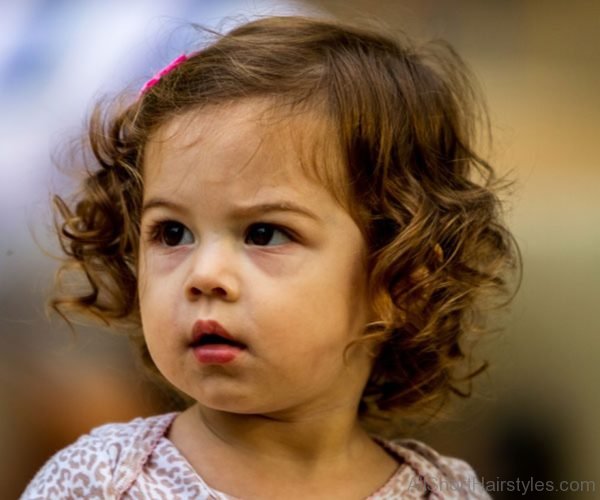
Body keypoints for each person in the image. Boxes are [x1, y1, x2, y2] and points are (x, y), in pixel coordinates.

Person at [22, 15, 519, 499]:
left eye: (264, 233)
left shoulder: (447, 491)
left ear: (399, 281)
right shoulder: (98, 483)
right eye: (172, 232)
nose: (205, 275)